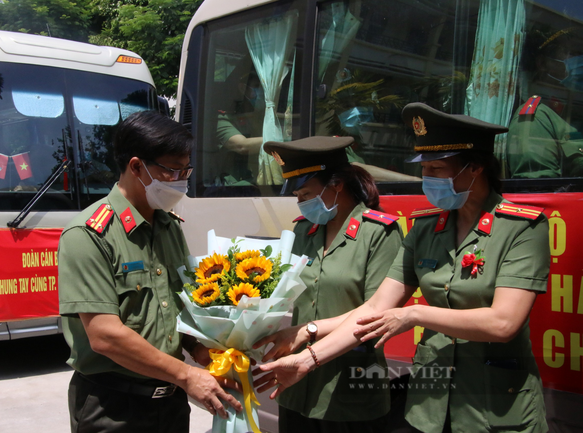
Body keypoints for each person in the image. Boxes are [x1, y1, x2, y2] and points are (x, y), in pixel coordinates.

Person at [256, 103, 550, 433]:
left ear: (475, 168)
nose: (428, 179)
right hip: (431, 402)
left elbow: (503, 323)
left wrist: (414, 314)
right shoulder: (425, 229)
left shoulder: (522, 228)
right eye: (424, 169)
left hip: (496, 402)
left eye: (438, 169)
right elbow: (374, 309)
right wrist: (307, 359)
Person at [58, 110, 242, 433]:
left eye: (186, 170)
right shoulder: (89, 235)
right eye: (173, 171)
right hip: (113, 409)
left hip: (169, 405)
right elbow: (104, 335)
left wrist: (202, 351)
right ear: (136, 167)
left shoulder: (169, 227)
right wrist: (186, 374)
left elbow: (177, 310)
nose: (181, 182)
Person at [253, 136, 403, 433]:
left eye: (306, 193)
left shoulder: (379, 233)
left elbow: (376, 314)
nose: (301, 203)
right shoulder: (303, 231)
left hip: (348, 391)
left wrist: (308, 330)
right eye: (297, 195)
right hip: (295, 388)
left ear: (336, 185)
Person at [507, 28, 583, 178]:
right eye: (570, 54)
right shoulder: (535, 118)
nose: (579, 62)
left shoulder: (572, 111)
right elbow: (539, 190)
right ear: (542, 63)